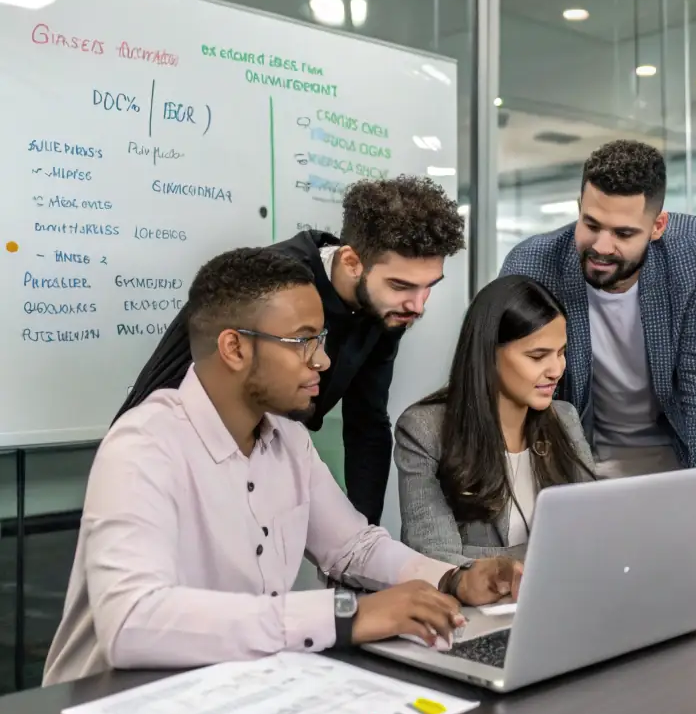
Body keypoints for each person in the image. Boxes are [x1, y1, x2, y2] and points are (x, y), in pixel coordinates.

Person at [43, 248, 520, 686]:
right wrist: (344, 614)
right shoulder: (144, 444)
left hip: (231, 692)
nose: (324, 360)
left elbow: (353, 547)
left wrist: (453, 580)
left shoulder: (287, 437)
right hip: (111, 712)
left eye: (322, 339)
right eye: (303, 342)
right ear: (235, 349)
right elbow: (132, 621)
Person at [113, 175, 465, 524]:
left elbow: (367, 423)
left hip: (261, 461)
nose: (418, 306)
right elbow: (180, 386)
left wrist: (363, 534)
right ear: (351, 262)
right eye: (401, 285)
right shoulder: (273, 285)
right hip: (177, 465)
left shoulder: (384, 308)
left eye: (428, 287)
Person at [500, 139, 696, 477]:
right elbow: (506, 386)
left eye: (623, 233)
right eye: (591, 224)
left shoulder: (694, 249)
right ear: (579, 206)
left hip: (674, 455)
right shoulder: (533, 264)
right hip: (570, 456)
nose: (601, 247)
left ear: (658, 226)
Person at [393, 276, 596, 562]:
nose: (556, 370)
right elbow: (436, 559)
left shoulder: (564, 418)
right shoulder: (424, 430)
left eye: (561, 353)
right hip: (471, 606)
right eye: (538, 356)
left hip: (562, 595)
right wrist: (541, 558)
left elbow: (595, 531)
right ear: (488, 354)